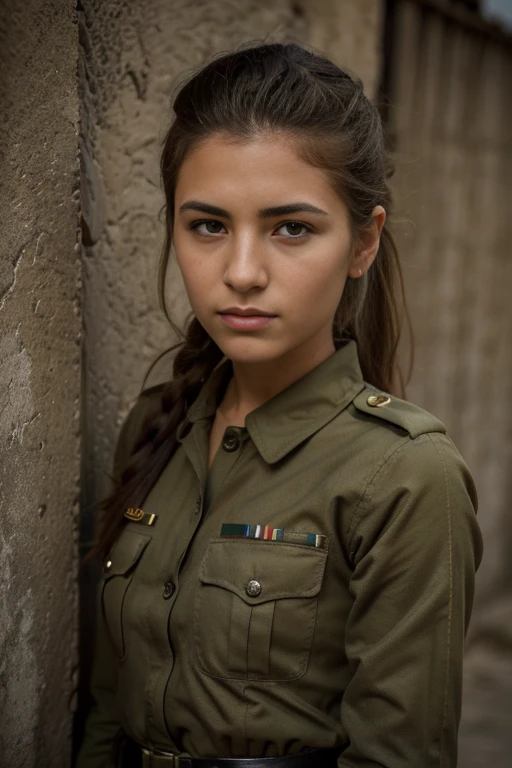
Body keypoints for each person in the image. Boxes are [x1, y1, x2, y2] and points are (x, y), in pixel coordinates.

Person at [76, 41, 483, 768]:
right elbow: (108, 706)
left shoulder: (405, 476)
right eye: (208, 225)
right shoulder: (154, 429)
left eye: (290, 228)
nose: (240, 272)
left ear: (363, 242)